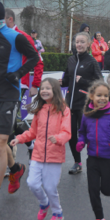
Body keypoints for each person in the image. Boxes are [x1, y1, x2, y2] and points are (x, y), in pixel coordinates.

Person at [10, 78, 71, 220]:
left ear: (55, 90)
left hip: (54, 155)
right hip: (37, 154)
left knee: (50, 188)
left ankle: (57, 213)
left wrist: (59, 138)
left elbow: (67, 132)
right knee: (32, 183)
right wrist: (19, 138)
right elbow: (32, 132)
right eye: (42, 88)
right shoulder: (39, 110)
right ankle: (44, 203)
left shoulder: (64, 110)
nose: (44, 91)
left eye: (48, 88)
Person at [76, 80, 110, 220]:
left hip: (109, 158)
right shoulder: (86, 115)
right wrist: (81, 141)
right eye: (99, 95)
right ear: (92, 96)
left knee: (106, 190)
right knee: (93, 190)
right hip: (92, 158)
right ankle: (99, 217)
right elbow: (82, 132)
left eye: (106, 96)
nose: (103, 98)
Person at [0, 2, 39, 192]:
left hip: (8, 93)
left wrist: (19, 73)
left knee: (1, 140)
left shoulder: (15, 36)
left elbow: (35, 58)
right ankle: (15, 168)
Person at [59, 32, 102, 174]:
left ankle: (94, 161)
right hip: (70, 104)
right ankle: (77, 162)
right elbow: (67, 78)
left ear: (88, 44)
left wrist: (82, 81)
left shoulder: (92, 61)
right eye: (77, 42)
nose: (79, 44)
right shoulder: (71, 60)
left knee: (88, 135)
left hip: (85, 105)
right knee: (71, 135)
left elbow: (100, 83)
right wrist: (61, 82)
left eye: (82, 42)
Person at [5, 8, 44, 164]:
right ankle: (29, 144)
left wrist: (35, 84)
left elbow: (38, 61)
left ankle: (10, 163)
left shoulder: (23, 37)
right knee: (11, 123)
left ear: (9, 20)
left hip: (18, 85)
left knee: (9, 123)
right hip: (3, 85)